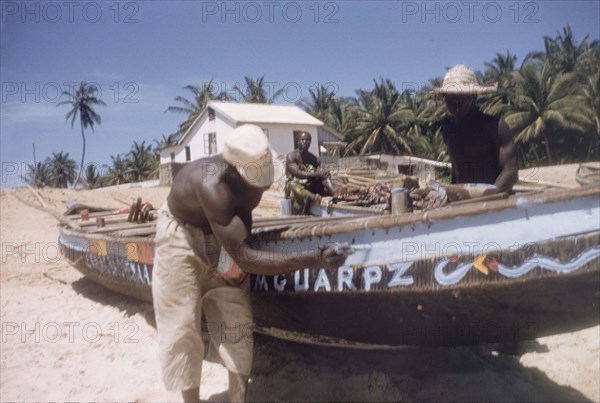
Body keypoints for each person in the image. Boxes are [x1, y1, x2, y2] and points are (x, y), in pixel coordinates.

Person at [151, 124, 348, 402]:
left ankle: (238, 399)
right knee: (182, 324)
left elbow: (241, 240)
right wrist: (313, 258)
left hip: (224, 235)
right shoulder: (211, 185)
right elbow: (245, 256)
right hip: (181, 235)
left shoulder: (253, 176)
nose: (265, 185)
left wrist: (229, 261)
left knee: (237, 318)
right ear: (235, 172)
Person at [429, 65, 518, 193]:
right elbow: (457, 171)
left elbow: (511, 172)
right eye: (450, 98)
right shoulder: (448, 131)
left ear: (474, 96)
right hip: (464, 203)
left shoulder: (495, 126)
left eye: (461, 96)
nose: (456, 102)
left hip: (497, 201)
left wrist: (486, 197)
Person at [285, 131, 335, 215]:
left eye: (307, 140)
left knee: (324, 175)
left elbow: (319, 173)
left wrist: (324, 174)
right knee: (291, 185)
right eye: (302, 139)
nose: (305, 142)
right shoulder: (291, 156)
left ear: (310, 142)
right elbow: (298, 173)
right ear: (298, 141)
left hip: (311, 185)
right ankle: (312, 197)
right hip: (297, 186)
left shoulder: (314, 159)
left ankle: (334, 194)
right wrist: (316, 174)